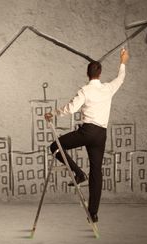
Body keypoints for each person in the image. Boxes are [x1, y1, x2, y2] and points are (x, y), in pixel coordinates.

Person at [44, 48, 129, 223]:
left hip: (87, 131)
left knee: (55, 147)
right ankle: (94, 213)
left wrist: (53, 113)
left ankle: (78, 173)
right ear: (100, 73)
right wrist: (123, 61)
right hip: (101, 135)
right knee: (96, 171)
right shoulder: (108, 88)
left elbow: (71, 109)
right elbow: (120, 79)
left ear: (87, 74)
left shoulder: (84, 90)